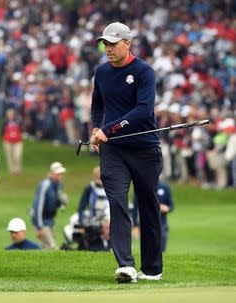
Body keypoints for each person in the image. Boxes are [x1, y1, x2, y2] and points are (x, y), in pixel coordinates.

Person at [90, 22, 163, 283]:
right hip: (113, 151)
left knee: (148, 205)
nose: (107, 48)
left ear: (127, 44)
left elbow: (144, 110)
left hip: (144, 148)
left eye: (112, 43)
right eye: (105, 44)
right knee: (118, 202)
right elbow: (97, 104)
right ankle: (126, 266)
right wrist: (96, 128)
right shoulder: (101, 72)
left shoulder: (144, 71)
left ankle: (153, 269)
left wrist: (109, 129)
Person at [31, 162, 68, 249]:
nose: (60, 176)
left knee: (46, 246)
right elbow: (38, 206)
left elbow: (58, 203)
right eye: (58, 174)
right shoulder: (45, 185)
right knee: (51, 246)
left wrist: (63, 202)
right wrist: (39, 227)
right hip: (42, 220)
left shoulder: (59, 185)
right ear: (52, 173)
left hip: (50, 219)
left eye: (61, 174)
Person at [132, 180, 174, 252]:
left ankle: (160, 263)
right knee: (148, 249)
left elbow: (171, 206)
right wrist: (135, 225)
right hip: (146, 223)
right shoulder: (140, 187)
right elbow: (134, 208)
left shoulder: (165, 187)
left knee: (161, 250)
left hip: (162, 223)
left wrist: (166, 208)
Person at [75, 166, 111, 251]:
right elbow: (81, 207)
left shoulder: (110, 187)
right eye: (97, 176)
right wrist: (82, 221)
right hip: (93, 219)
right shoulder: (89, 188)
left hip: (108, 218)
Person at [2, 108, 23, 175]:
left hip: (17, 141)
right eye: (9, 114)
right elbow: (2, 131)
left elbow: (21, 130)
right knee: (9, 156)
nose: (10, 115)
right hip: (8, 141)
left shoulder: (18, 121)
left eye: (11, 114)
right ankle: (12, 169)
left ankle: (18, 169)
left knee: (17, 155)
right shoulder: (5, 122)